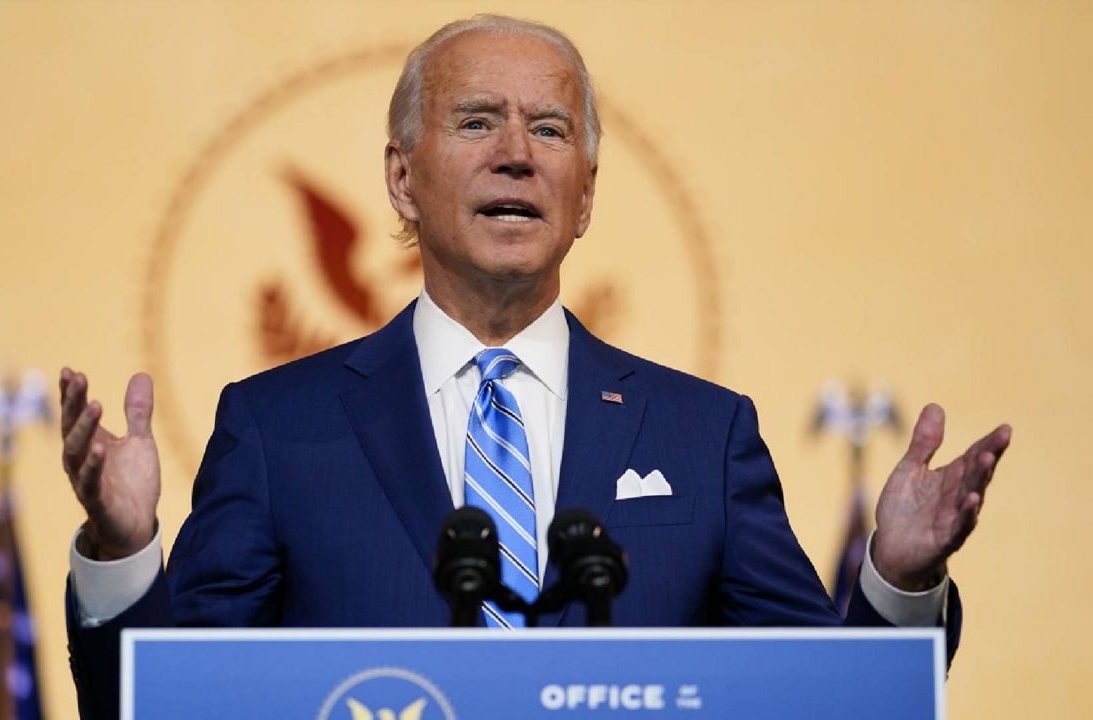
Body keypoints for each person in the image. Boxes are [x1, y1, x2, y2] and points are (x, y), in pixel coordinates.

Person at [59, 14, 1011, 719]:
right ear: (402, 177)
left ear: (585, 195)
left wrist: (897, 584)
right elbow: (161, 708)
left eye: (550, 131)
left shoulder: (703, 434)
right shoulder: (277, 428)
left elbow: (832, 708)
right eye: (477, 122)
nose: (516, 155)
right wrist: (120, 555)